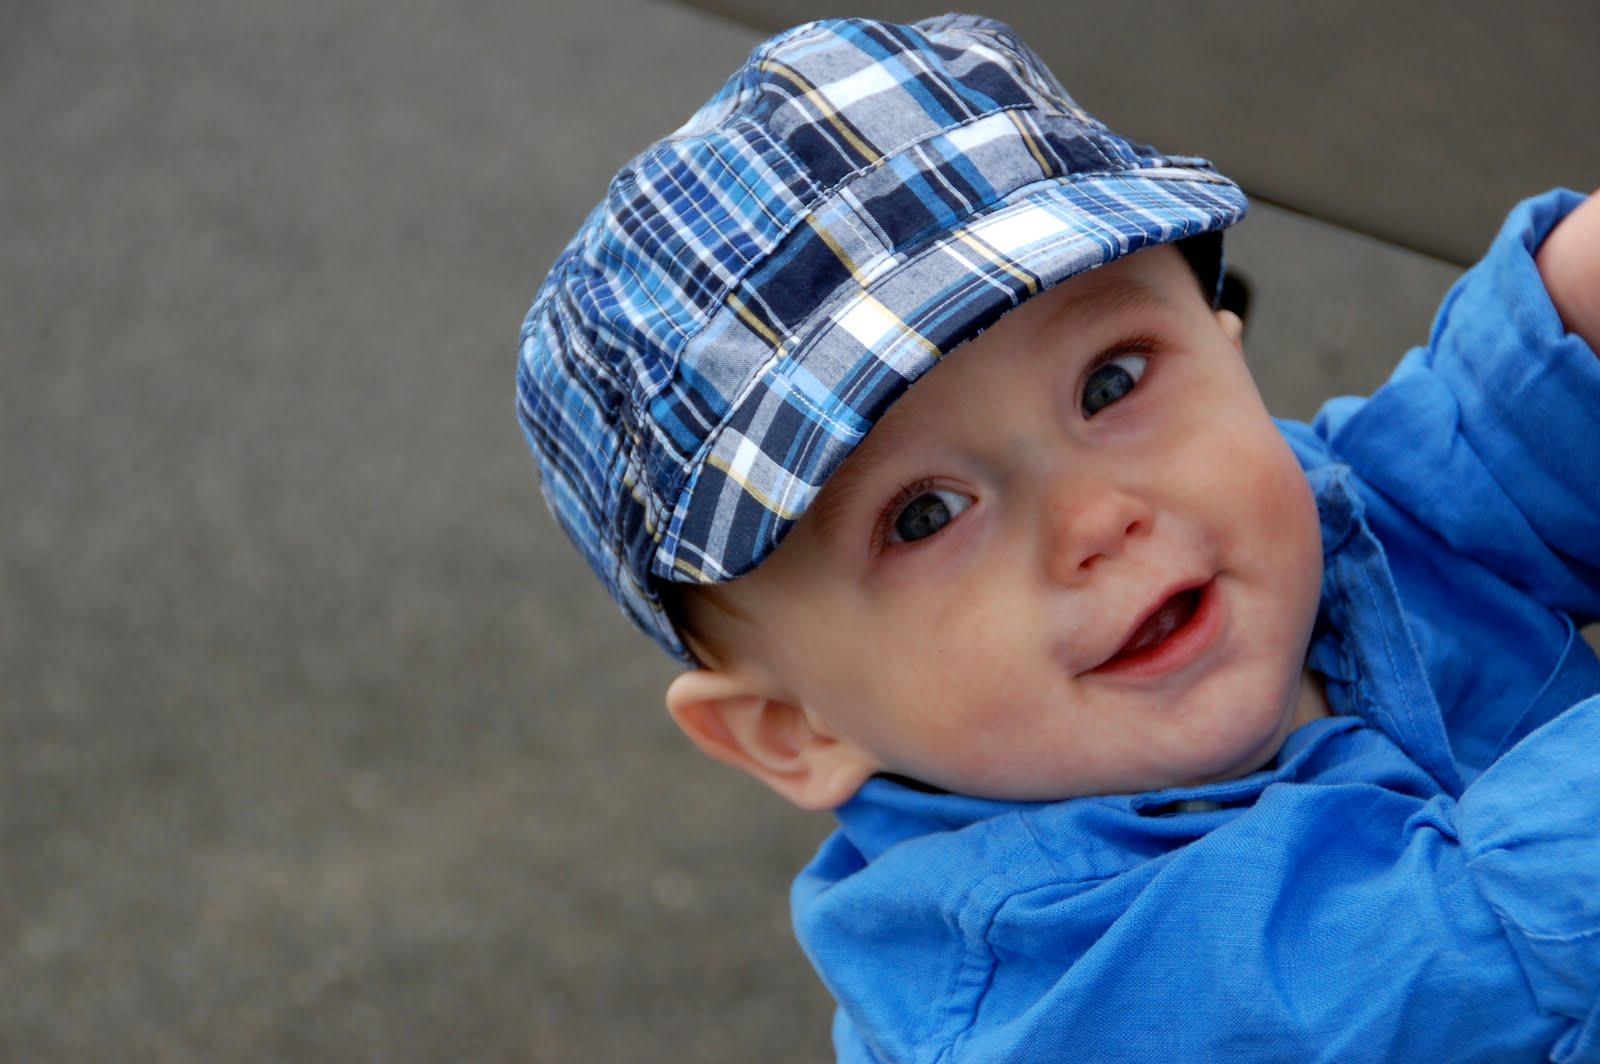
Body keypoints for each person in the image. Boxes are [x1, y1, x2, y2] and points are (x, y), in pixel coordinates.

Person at [516, 14, 1600, 1062]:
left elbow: (1494, 427)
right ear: (792, 729)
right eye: (926, 514)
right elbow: (1487, 937)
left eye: (1111, 382)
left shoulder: (1314, 529)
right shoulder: (1043, 998)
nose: (1095, 517)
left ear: (1227, 354)